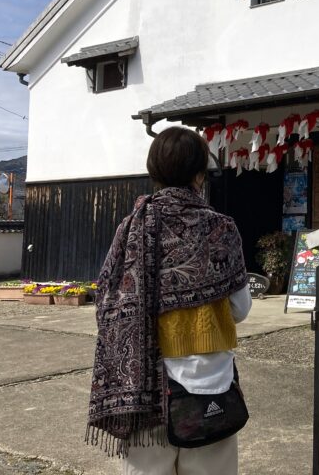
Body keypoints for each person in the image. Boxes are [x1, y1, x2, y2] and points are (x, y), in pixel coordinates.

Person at [87, 126, 251, 474]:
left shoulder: (132, 227)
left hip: (144, 389)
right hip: (212, 385)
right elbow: (240, 308)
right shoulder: (221, 228)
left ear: (154, 172)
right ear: (199, 174)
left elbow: (107, 301)